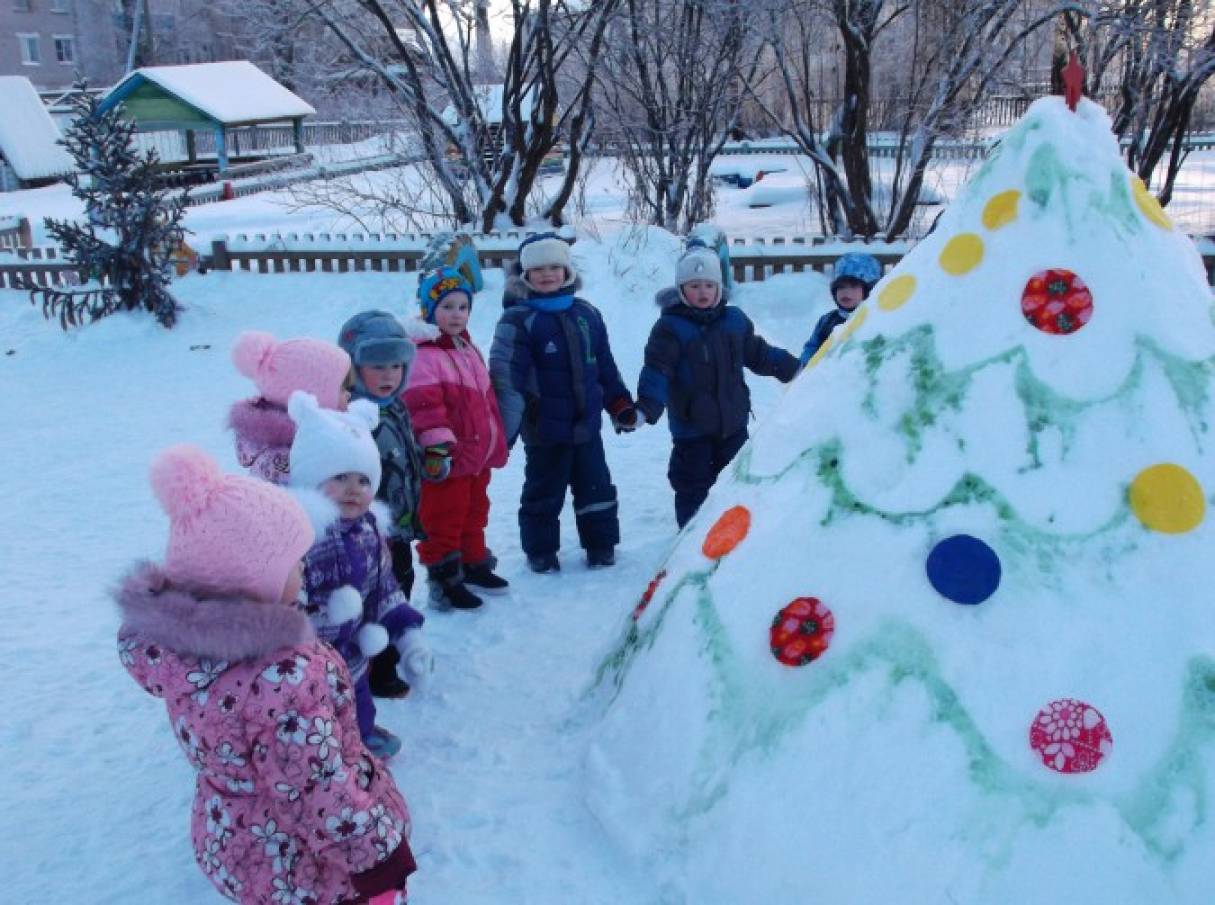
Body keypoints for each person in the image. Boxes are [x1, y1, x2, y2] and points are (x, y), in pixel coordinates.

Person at [116, 445, 416, 905]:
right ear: (252, 580)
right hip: (307, 865)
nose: (303, 569)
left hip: (239, 840)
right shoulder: (281, 679)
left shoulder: (187, 654)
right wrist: (376, 855)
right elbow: (315, 789)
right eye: (294, 562)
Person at [288, 391, 431, 760]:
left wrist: (408, 637)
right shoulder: (300, 536)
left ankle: (360, 738)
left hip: (352, 655)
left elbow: (384, 587)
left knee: (358, 704)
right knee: (314, 723)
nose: (354, 489)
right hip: (306, 666)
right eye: (339, 477)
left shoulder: (368, 531)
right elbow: (285, 600)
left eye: (363, 480)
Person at [489, 232, 639, 573]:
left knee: (596, 488)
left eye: (555, 266)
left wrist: (618, 404)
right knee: (543, 492)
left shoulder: (586, 313)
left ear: (567, 271)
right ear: (524, 275)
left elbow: (604, 365)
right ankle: (540, 551)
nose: (547, 274)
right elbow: (506, 380)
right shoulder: (517, 320)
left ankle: (601, 544)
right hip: (543, 429)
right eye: (538, 269)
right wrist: (503, 433)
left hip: (587, 426)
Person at [637, 246, 800, 528]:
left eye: (709, 286)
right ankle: (691, 542)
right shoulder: (670, 328)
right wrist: (645, 408)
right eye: (695, 286)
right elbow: (657, 372)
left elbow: (759, 354)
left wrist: (793, 368)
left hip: (733, 425)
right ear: (680, 289)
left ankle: (733, 536)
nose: (703, 292)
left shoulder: (733, 321)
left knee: (734, 483)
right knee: (692, 487)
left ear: (719, 288)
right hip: (691, 430)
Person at [405, 267, 509, 610]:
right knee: (444, 518)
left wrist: (494, 439)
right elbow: (424, 407)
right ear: (428, 309)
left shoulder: (466, 347)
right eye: (447, 306)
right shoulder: (423, 353)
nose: (456, 314)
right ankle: (444, 579)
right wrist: (437, 447)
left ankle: (473, 563)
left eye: (462, 306)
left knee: (475, 511)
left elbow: (483, 399)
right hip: (445, 459)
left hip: (475, 454)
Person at [337, 310, 426, 696]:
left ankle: (396, 650)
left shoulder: (396, 407)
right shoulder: (349, 418)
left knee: (399, 588)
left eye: (396, 364)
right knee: (372, 598)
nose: (388, 374)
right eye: (377, 366)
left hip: (399, 526)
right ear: (353, 367)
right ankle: (375, 668)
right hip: (367, 533)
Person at [227, 330, 353, 485]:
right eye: (341, 389)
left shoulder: (309, 442)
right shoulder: (292, 463)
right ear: (309, 399)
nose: (348, 395)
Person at [800, 252, 882, 366]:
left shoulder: (875, 318)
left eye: (853, 286)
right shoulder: (827, 320)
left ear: (869, 290)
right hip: (827, 376)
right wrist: (805, 365)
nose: (845, 292)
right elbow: (812, 347)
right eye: (841, 287)